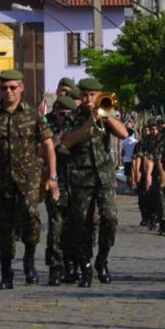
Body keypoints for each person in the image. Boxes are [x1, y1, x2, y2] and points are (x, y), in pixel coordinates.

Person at [0, 69, 59, 289]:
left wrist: (53, 176)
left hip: (28, 177)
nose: (9, 91)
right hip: (0, 179)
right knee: (3, 226)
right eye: (4, 88)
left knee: (31, 217)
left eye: (13, 87)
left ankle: (29, 261)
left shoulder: (33, 114)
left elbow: (48, 144)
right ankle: (6, 273)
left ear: (21, 87)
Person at [63, 77, 128, 286]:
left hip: (104, 176)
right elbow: (67, 141)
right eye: (85, 95)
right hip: (81, 177)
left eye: (92, 95)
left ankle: (102, 260)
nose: (88, 98)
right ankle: (85, 267)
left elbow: (124, 133)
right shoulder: (74, 117)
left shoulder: (106, 114)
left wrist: (105, 116)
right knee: (82, 225)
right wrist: (89, 122)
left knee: (110, 218)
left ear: (99, 96)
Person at [43, 96, 76, 285]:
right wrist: (58, 137)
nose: (65, 118)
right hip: (57, 182)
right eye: (61, 114)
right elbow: (42, 152)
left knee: (74, 227)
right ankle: (55, 267)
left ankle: (71, 264)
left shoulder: (80, 127)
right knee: (56, 227)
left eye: (68, 115)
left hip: (78, 183)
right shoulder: (49, 128)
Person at [121, 127, 138, 192]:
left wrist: (122, 156)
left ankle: (129, 188)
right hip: (134, 160)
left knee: (128, 175)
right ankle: (134, 187)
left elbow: (123, 151)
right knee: (134, 174)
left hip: (127, 160)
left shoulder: (124, 141)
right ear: (133, 133)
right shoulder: (136, 141)